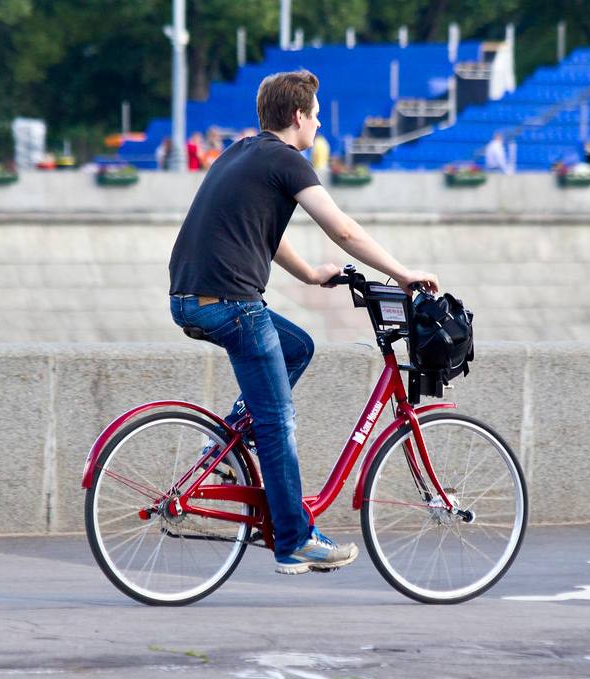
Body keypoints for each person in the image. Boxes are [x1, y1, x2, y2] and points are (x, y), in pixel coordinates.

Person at [168, 70, 438, 575]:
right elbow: (342, 228)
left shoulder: (243, 152)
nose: (317, 123)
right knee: (278, 422)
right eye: (315, 114)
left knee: (297, 347)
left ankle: (225, 441)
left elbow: (262, 230)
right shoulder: (286, 160)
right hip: (231, 303)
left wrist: (312, 274)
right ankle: (295, 539)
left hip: (190, 297)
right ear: (298, 116)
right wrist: (402, 274)